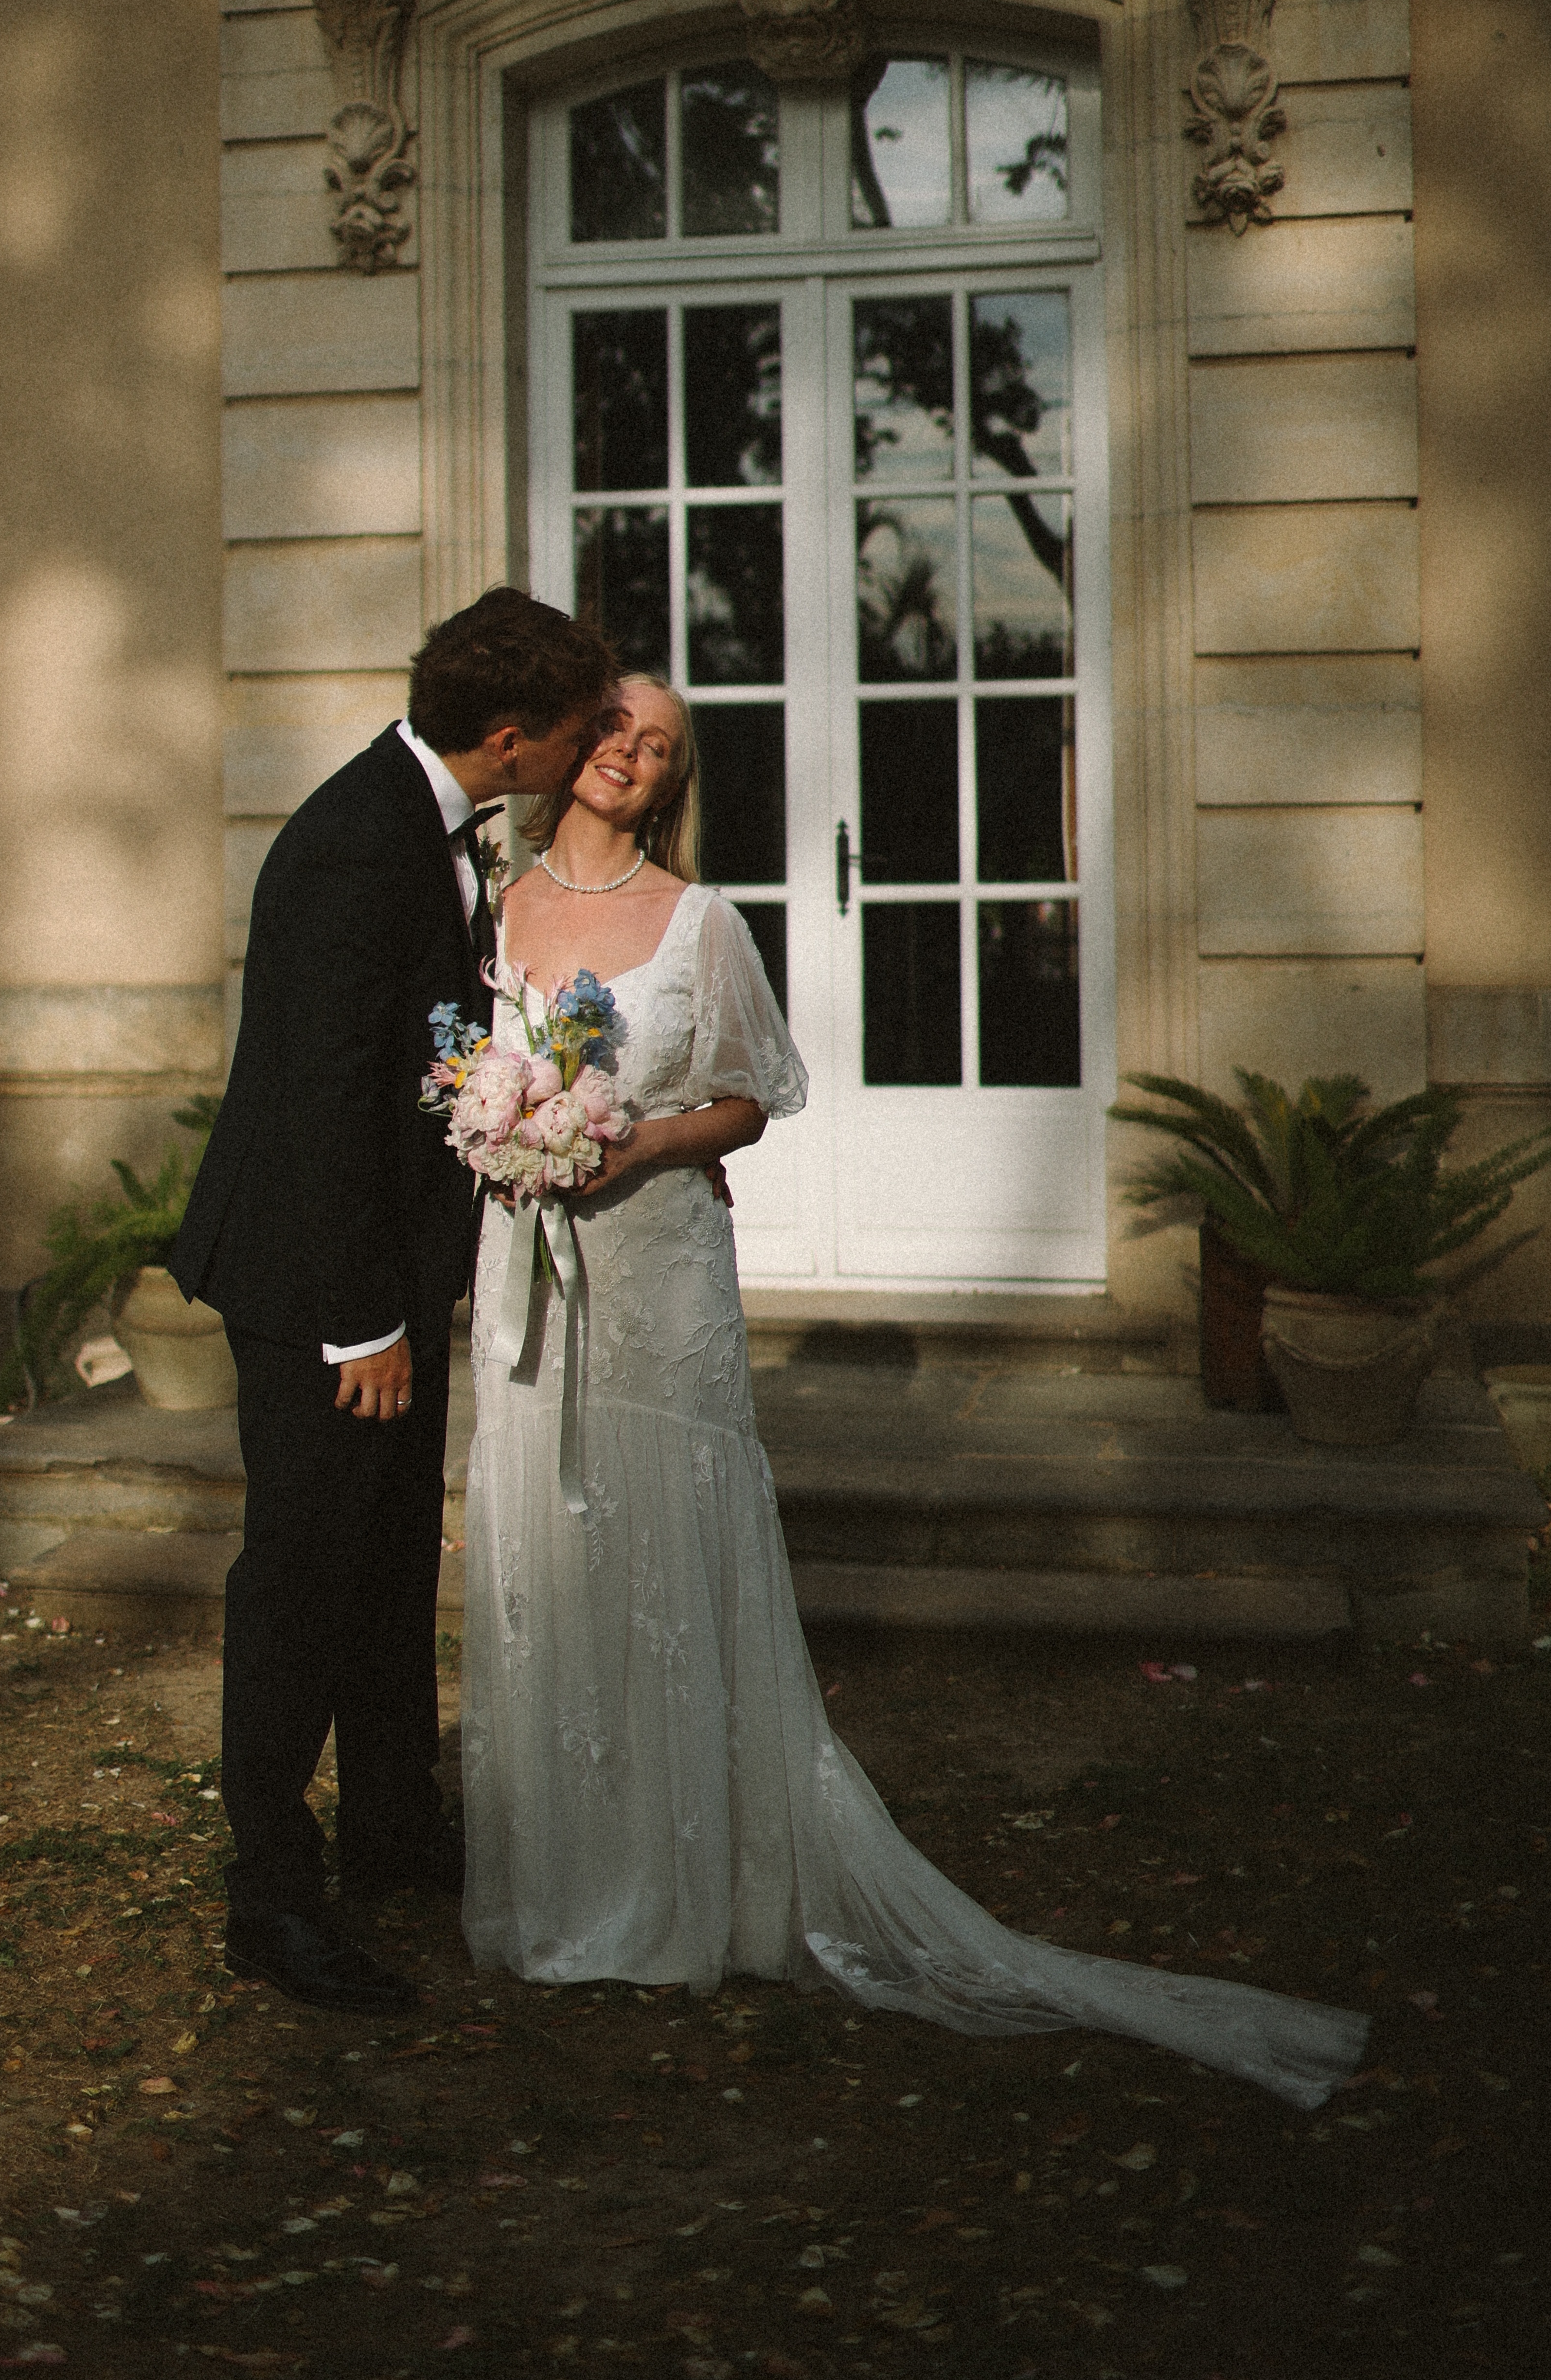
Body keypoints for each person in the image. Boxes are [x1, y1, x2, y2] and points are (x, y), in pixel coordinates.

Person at [460, 675, 1370, 2109]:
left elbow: (753, 1098)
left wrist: (629, 1145)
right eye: (617, 731)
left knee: (665, 1549)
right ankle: (568, 1876)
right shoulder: (496, 907)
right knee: (550, 1549)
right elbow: (467, 1071)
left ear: (670, 781)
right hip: (531, 1277)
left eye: (660, 751)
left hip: (659, 1275)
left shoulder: (702, 919)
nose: (631, 758)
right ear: (569, 741)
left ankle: (692, 1888)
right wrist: (506, 1133)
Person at [169, 586, 618, 2014]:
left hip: (383, 1274)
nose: (590, 747)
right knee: (300, 1578)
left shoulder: (427, 825)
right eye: (574, 730)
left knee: (382, 1563)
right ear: (507, 738)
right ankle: (271, 1895)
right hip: (319, 1283)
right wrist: (362, 1319)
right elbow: (320, 1104)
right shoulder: (355, 846)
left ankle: (389, 1825)